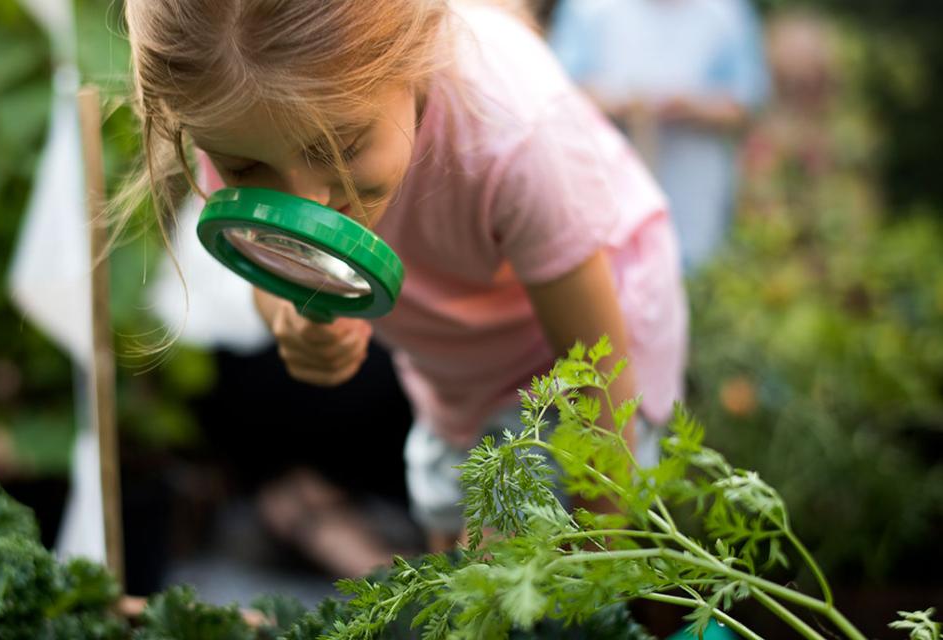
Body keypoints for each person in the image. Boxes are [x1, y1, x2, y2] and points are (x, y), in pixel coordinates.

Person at [121, 0, 688, 553]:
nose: (308, 203)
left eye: (342, 147)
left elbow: (596, 361)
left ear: (411, 64)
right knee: (455, 548)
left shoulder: (513, 132)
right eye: (246, 169)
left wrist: (603, 557)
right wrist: (287, 313)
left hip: (593, 344)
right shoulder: (238, 115)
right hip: (453, 366)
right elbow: (272, 262)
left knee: (515, 559)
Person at [548, 0, 770, 271]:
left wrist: (693, 108)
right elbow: (560, 90)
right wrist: (619, 105)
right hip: (605, 188)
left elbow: (747, 102)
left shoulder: (725, 10)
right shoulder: (588, 8)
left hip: (696, 192)